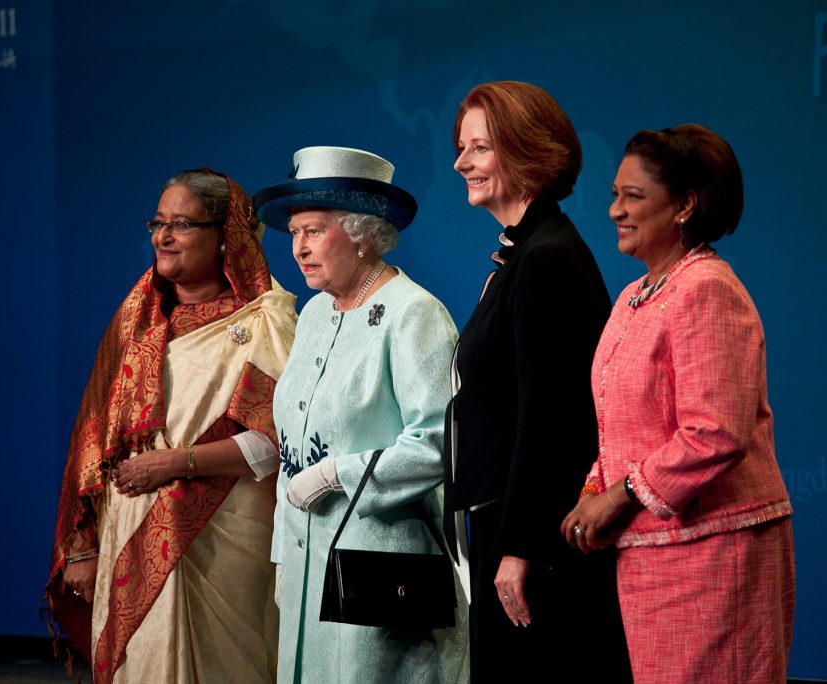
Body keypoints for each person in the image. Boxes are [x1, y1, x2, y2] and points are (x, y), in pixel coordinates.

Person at [561, 124, 795, 683]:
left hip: (717, 553)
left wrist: (618, 495)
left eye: (633, 196)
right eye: (615, 193)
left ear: (686, 204)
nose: (615, 209)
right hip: (653, 555)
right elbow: (625, 423)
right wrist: (595, 487)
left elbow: (715, 432)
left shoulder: (706, 288)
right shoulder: (635, 295)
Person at [44, 169, 297, 683]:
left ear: (225, 235)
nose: (162, 237)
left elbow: (276, 441)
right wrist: (84, 546)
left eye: (181, 224)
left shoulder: (266, 320)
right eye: (157, 223)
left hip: (225, 541)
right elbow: (94, 443)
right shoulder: (135, 323)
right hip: (127, 537)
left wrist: (176, 463)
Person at [254, 146, 469, 683]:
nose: (299, 248)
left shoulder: (413, 313)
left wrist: (336, 474)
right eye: (295, 233)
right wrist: (285, 552)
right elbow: (293, 446)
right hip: (308, 558)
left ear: (361, 231)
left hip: (381, 561)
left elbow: (438, 442)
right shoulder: (314, 313)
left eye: (314, 231)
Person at [444, 80, 631, 682]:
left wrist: (519, 547)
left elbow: (552, 421)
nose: (460, 163)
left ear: (526, 150)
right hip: (509, 524)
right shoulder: (525, 253)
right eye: (461, 147)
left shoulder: (547, 258)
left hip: (535, 539)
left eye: (478, 148)